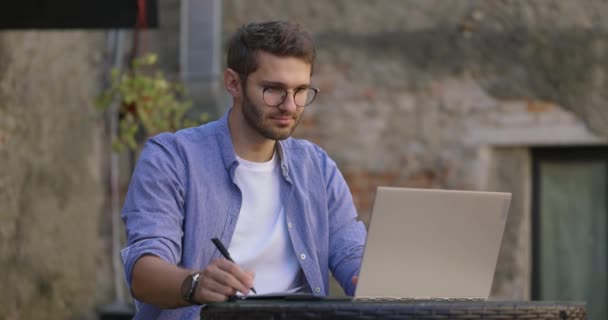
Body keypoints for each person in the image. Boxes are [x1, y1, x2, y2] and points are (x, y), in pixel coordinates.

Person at [120, 20, 366, 319]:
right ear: (233, 83)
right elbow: (143, 273)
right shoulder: (172, 159)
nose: (290, 106)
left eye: (300, 90)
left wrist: (372, 278)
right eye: (273, 90)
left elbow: (351, 253)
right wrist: (195, 284)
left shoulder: (317, 167)